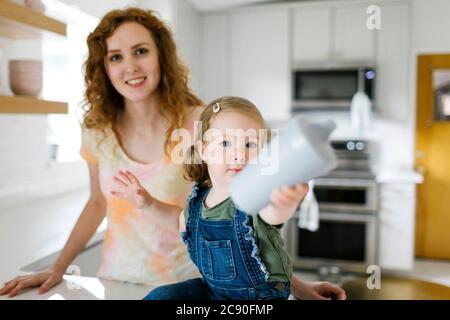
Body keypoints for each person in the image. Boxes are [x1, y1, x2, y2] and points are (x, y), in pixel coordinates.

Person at [0, 8, 345, 300]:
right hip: (116, 280)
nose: (130, 66)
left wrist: (294, 286)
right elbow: (96, 203)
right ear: (104, 68)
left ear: (160, 55)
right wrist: (58, 267)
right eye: (116, 57)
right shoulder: (96, 129)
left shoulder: (200, 122)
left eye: (140, 51)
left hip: (198, 285)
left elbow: (239, 217)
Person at [143, 97, 344, 300]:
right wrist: (148, 203)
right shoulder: (198, 201)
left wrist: (285, 201)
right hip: (213, 291)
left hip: (258, 298)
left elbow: (273, 215)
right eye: (225, 143)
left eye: (250, 144)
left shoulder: (257, 194)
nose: (239, 154)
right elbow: (179, 221)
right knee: (161, 296)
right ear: (204, 150)